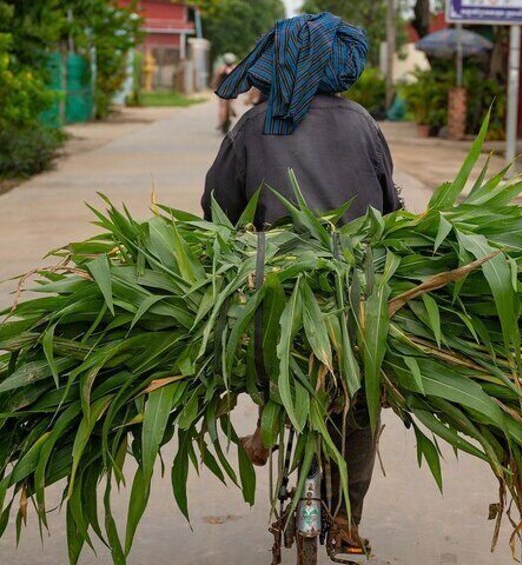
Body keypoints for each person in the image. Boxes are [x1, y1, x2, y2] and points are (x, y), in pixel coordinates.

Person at [201, 12, 401, 554]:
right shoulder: (362, 122)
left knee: (262, 354)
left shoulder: (251, 125)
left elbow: (217, 209)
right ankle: (346, 521)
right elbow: (389, 206)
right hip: (355, 297)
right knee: (361, 399)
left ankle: (266, 427)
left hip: (275, 290)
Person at [212, 53, 238, 132]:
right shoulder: (235, 68)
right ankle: (231, 109)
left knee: (222, 107)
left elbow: (216, 79)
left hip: (222, 90)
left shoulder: (221, 69)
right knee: (231, 102)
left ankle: (221, 123)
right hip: (232, 90)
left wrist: (213, 85)